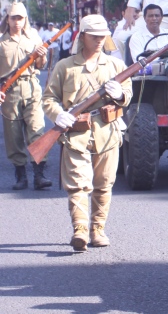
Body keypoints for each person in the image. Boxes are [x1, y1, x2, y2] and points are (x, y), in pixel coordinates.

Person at [42, 14, 132, 251]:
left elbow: (128, 95)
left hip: (107, 130)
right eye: (94, 36)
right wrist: (58, 114)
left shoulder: (116, 65)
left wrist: (120, 95)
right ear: (82, 37)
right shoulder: (65, 66)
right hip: (75, 132)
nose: (100, 40)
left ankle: (98, 229)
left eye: (103, 36)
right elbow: (49, 98)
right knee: (78, 184)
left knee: (104, 183)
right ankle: (80, 229)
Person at [1, 2, 52, 190]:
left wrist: (40, 55)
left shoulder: (33, 38)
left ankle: (39, 174)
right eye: (13, 18)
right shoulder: (1, 41)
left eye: (20, 18)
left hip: (31, 87)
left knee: (37, 130)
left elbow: (40, 66)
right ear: (8, 19)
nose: (17, 22)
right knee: (13, 136)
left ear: (25, 20)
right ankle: (20, 175)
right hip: (10, 92)